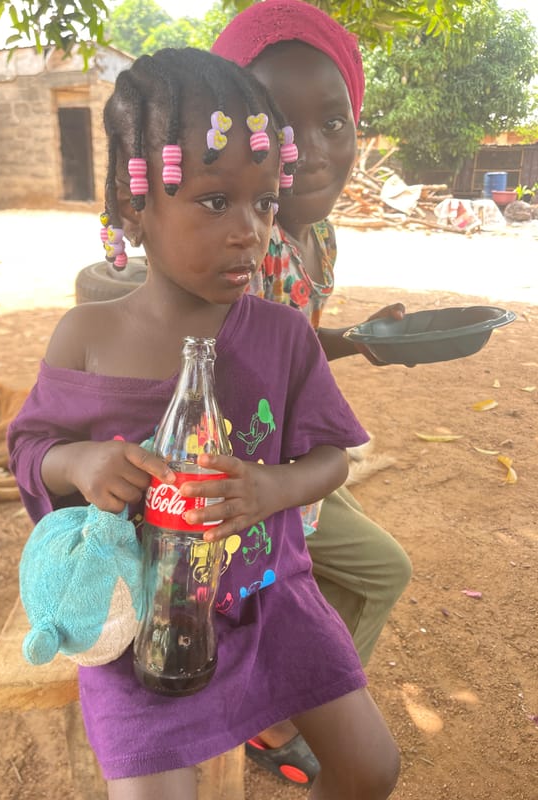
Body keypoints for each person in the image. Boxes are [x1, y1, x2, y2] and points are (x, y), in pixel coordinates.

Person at [8, 47, 400, 800]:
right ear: (134, 206)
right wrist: (81, 462)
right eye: (215, 201)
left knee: (371, 768)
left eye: (265, 203)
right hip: (140, 624)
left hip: (271, 602)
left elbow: (332, 458)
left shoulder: (284, 338)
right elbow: (31, 448)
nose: (250, 230)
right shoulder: (87, 338)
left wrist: (270, 489)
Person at [212, 0, 412, 784]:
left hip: (296, 460)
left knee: (371, 569)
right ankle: (282, 715)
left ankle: (286, 705)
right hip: (245, 481)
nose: (311, 151)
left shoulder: (318, 235)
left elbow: (290, 346)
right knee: (380, 571)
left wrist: (358, 340)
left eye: (334, 122)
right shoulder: (234, 246)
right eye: (278, 125)